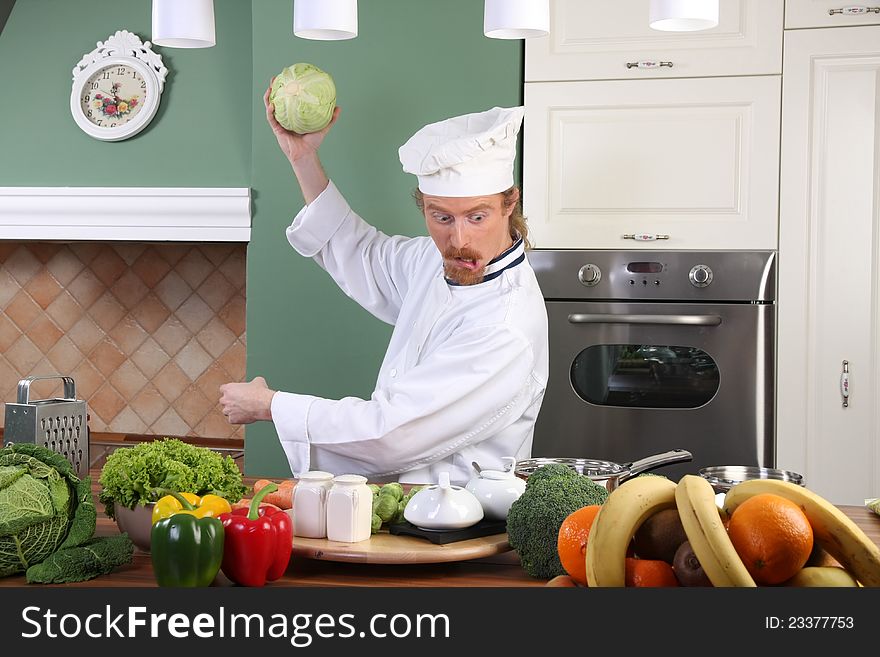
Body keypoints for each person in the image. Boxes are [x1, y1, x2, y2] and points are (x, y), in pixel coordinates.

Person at [218, 84, 548, 485]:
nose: (459, 239)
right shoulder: (433, 259)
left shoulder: (505, 326)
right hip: (400, 513)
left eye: (476, 217)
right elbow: (363, 254)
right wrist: (303, 158)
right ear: (423, 207)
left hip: (461, 527)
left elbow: (393, 435)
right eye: (441, 217)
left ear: (509, 204)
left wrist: (272, 406)